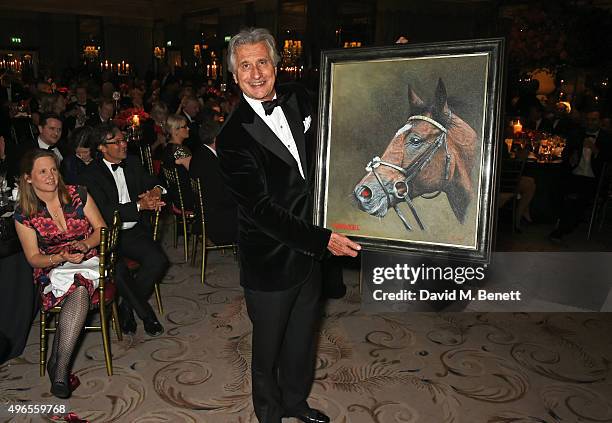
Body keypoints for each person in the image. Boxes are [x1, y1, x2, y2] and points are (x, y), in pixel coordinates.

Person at [217, 28, 361, 423]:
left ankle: (296, 403)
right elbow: (261, 210)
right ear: (234, 76)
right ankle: (269, 415)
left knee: (301, 342)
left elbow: (343, 98)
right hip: (270, 260)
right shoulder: (232, 138)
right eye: (245, 66)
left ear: (276, 64)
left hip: (310, 255)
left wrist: (384, 62)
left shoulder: (298, 96)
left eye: (262, 62)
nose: (256, 73)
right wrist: (323, 240)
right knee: (268, 350)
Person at [13, 149, 106, 398]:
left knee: (81, 285)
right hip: (52, 267)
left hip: (89, 260)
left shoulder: (78, 194)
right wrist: (60, 257)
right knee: (78, 289)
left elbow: (101, 230)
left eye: (53, 169)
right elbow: (33, 258)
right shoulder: (24, 214)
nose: (51, 175)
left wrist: (86, 244)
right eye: (43, 171)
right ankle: (60, 367)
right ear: (28, 178)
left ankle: (59, 367)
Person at [79, 123, 168, 336]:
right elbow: (105, 212)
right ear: (102, 148)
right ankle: (146, 315)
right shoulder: (90, 174)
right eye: (117, 142)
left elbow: (155, 182)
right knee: (118, 271)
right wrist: (139, 206)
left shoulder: (133, 163)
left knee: (159, 261)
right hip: (107, 235)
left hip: (134, 231)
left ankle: (126, 307)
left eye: (123, 139)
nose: (123, 144)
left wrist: (155, 192)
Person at [550, 109, 612, 242]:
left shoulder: (606, 138)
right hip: (576, 174)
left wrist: (595, 150)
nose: (590, 122)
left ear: (600, 122)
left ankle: (561, 230)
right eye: (588, 119)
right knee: (560, 190)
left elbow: (608, 162)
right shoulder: (576, 134)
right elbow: (565, 154)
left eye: (594, 120)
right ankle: (563, 224)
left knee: (578, 198)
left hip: (594, 179)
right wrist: (571, 157)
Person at [189, 118, 237, 244]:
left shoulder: (201, 153)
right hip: (217, 222)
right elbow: (220, 196)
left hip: (206, 213)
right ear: (216, 138)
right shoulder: (209, 162)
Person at [162, 114, 194, 210]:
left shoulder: (168, 147)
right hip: (187, 199)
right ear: (175, 131)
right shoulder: (180, 150)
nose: (188, 128)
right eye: (184, 127)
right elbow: (195, 172)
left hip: (175, 197)